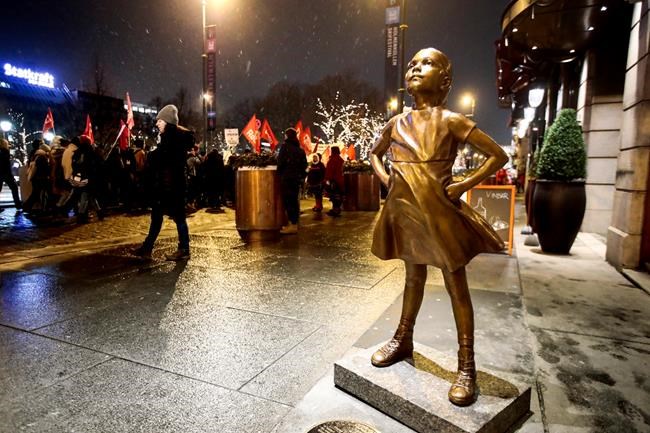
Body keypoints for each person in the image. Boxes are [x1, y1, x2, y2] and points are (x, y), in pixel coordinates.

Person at [369, 48, 508, 406]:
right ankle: (403, 339)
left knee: (455, 285)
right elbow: (374, 153)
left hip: (440, 214)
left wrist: (463, 185)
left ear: (445, 80)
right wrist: (386, 178)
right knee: (412, 278)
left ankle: (467, 364)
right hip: (405, 210)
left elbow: (498, 155)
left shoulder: (452, 120)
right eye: (412, 64)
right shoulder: (397, 123)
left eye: (427, 63)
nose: (416, 68)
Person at [133, 104, 194, 260]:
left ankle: (184, 249)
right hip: (167, 186)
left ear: (167, 122)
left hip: (171, 186)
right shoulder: (171, 139)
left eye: (159, 121)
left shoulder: (172, 140)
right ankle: (148, 247)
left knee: (178, 218)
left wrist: (152, 156)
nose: (157, 123)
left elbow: (164, 159)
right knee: (159, 217)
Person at [277, 128, 307, 234]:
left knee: (288, 201)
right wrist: (300, 177)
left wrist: (280, 174)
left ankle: (292, 225)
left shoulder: (285, 147)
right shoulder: (300, 150)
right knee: (294, 201)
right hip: (296, 179)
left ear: (287, 136)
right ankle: (294, 223)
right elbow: (304, 166)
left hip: (287, 178)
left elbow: (280, 163)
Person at [0, 138, 21, 211]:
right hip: (6, 173)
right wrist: (10, 175)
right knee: (14, 188)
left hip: (1, 173)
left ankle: (18, 205)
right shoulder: (5, 151)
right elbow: (6, 165)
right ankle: (18, 205)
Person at [324, 146, 344, 217]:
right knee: (338, 196)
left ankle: (335, 210)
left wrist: (327, 179)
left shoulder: (333, 160)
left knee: (334, 196)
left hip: (334, 180)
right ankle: (336, 209)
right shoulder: (341, 160)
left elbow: (330, 171)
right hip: (340, 181)